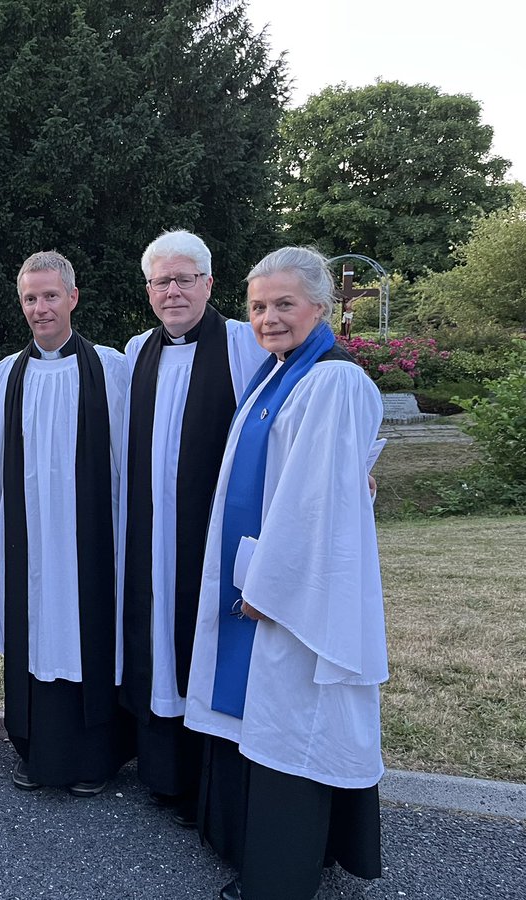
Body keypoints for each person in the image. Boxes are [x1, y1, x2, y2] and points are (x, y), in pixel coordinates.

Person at [183, 247, 386, 900]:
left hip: (295, 600)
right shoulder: (281, 375)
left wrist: (266, 589)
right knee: (281, 725)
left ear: (321, 308)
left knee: (296, 729)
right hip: (275, 583)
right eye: (259, 306)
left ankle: (279, 879)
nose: (269, 318)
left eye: (284, 305)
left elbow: (312, 503)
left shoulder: (330, 380)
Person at [117, 230, 268, 825]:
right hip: (151, 533)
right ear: (149, 289)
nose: (173, 291)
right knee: (158, 638)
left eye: (185, 279)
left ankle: (207, 778)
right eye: (162, 281)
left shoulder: (241, 344)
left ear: (210, 283)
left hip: (211, 534)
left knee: (201, 636)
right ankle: (162, 774)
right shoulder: (137, 351)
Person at [0, 250, 130, 796]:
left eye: (49, 296)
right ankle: (35, 748)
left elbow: (129, 458)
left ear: (73, 297)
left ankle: (94, 756)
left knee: (87, 633)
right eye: (30, 298)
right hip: (31, 540)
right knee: (36, 635)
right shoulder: (5, 375)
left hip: (92, 537)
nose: (40, 308)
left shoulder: (112, 369)